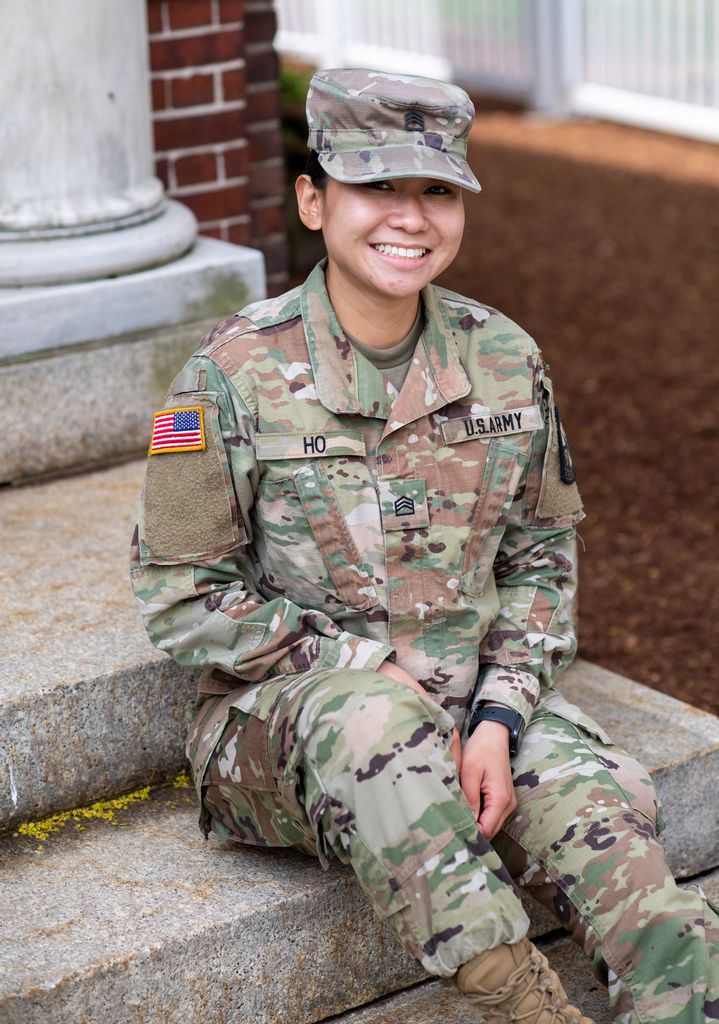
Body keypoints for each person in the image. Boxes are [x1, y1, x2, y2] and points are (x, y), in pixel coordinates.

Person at [130, 69, 718, 1023]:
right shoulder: (226, 376)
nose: (410, 218)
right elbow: (181, 592)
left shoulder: (505, 358)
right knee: (378, 726)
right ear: (313, 199)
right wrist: (362, 667)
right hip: (287, 730)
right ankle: (529, 1003)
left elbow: (540, 562)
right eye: (377, 186)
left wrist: (499, 716)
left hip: (470, 709)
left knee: (627, 865)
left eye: (436, 190)